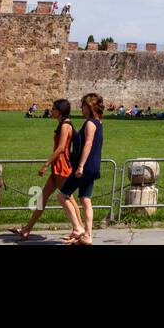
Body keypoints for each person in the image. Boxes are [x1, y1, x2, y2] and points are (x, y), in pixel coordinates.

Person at [9, 99, 75, 240]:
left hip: (62, 166)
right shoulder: (62, 124)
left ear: (60, 111)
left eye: (54, 109)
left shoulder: (65, 126)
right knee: (42, 198)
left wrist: (46, 164)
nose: (51, 111)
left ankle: (80, 230)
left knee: (69, 199)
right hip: (58, 166)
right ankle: (27, 229)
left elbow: (61, 148)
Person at [58, 93, 105, 245]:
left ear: (90, 107)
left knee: (62, 195)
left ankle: (78, 228)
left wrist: (80, 166)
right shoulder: (99, 122)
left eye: (83, 105)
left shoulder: (90, 123)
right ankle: (88, 236)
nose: (81, 108)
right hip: (94, 166)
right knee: (85, 199)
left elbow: (88, 144)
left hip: (85, 166)